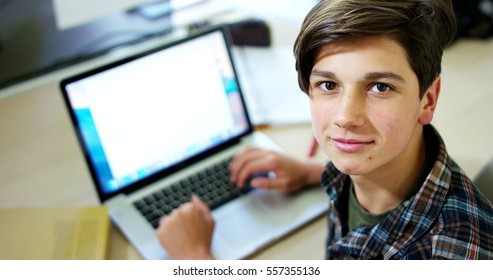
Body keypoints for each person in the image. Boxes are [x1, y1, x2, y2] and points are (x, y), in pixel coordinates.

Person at [156, 0, 493, 259]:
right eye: (328, 84)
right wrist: (309, 172)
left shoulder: (449, 254)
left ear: (428, 100)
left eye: (380, 88)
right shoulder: (371, 164)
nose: (346, 117)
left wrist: (195, 260)